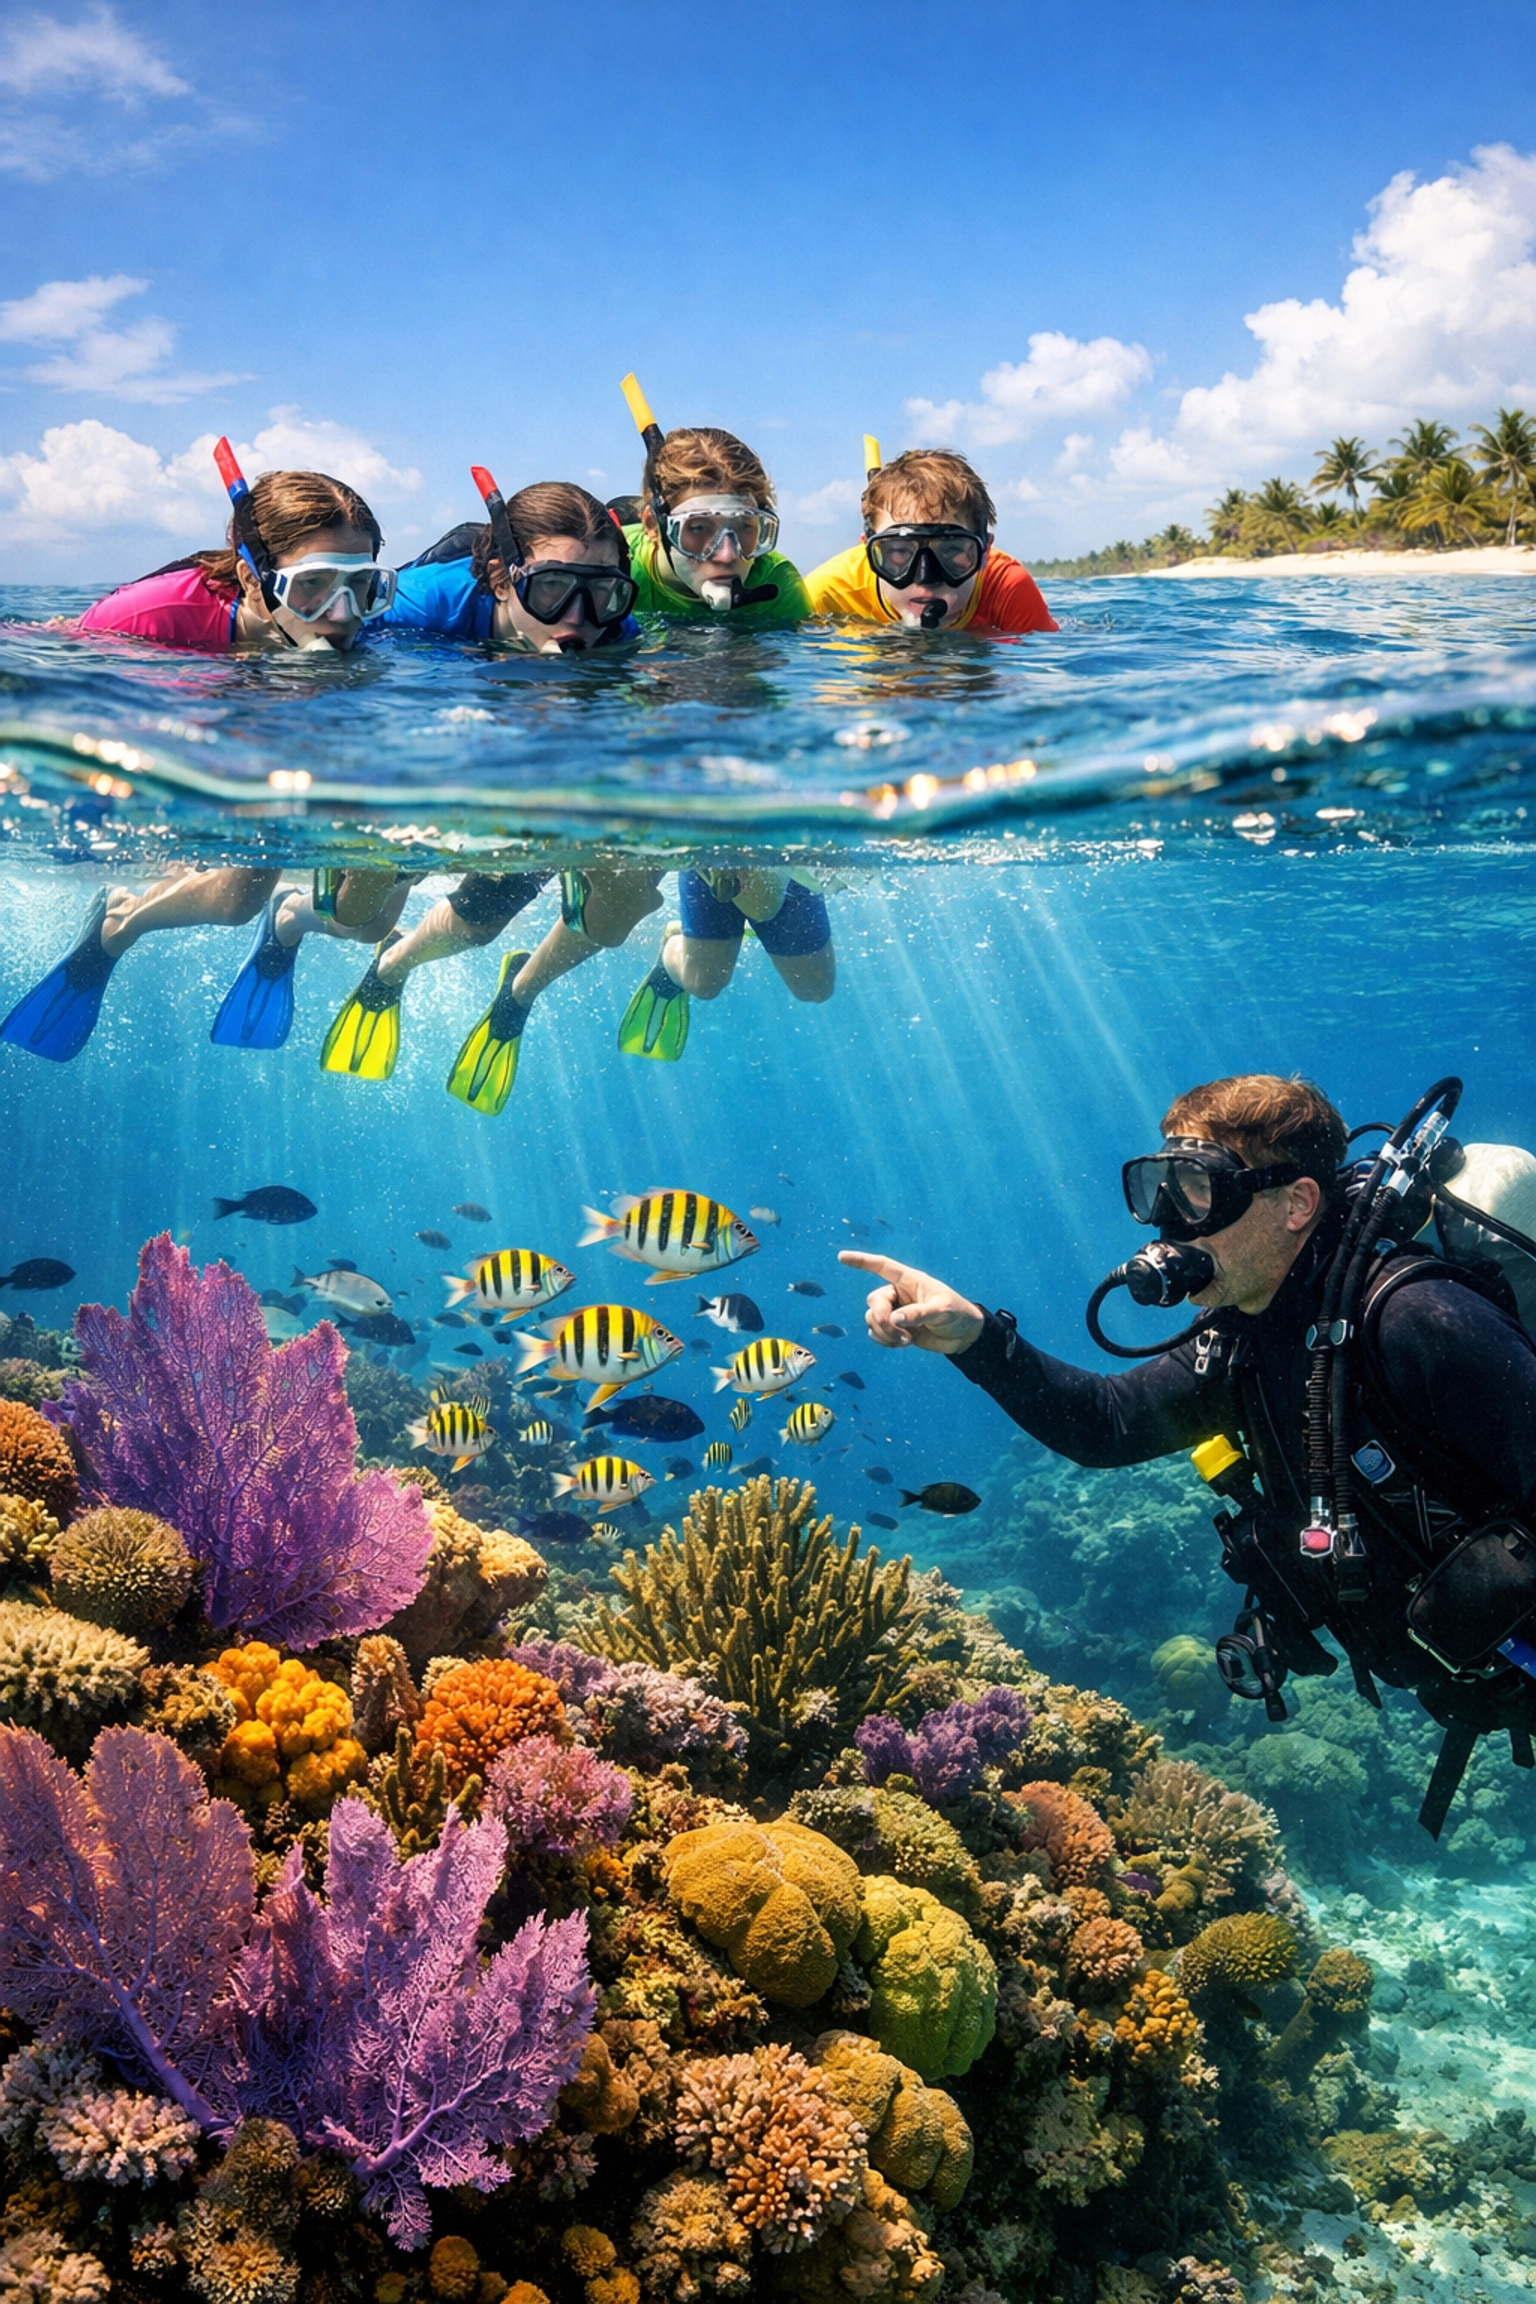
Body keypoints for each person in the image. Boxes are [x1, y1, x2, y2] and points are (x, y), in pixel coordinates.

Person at [843, 1072, 1536, 1835]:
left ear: (1296, 1204)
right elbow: (1107, 1425)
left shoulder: (1416, 1321)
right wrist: (976, 1337)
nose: (1168, 1225)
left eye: (1198, 1191)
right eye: (1158, 1190)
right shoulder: (1244, 1338)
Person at [1, 471, 403, 1060]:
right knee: (236, 902)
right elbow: (45, 670)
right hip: (177, 745)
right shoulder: (158, 615)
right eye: (313, 586)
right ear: (253, 579)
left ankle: (289, 919)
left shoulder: (362, 626)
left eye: (362, 587)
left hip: (281, 745)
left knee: (369, 923)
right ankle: (121, 921)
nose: (342, 616)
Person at [317, 482, 654, 1103]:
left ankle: (391, 969)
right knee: (354, 914)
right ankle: (336, 922)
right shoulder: (418, 607)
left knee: (485, 928)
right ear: (503, 580)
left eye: (601, 592)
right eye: (552, 589)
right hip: (426, 763)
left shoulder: (614, 631)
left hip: (535, 778)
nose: (578, 617)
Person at [806, 446, 1058, 634]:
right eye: (900, 551)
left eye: (951, 550)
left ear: (984, 553)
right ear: (868, 553)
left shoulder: (1006, 590)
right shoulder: (827, 596)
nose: (926, 578)